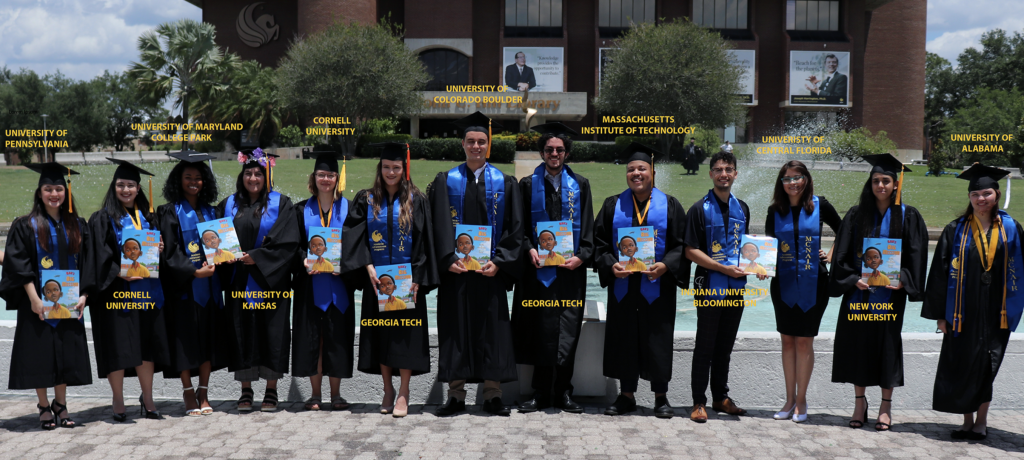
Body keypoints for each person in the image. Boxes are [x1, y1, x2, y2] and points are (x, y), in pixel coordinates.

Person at [428, 111, 524, 416]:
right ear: (462, 144)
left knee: (492, 332)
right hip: (457, 274)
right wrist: (447, 258)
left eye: (481, 142)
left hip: (489, 273)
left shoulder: (505, 182)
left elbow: (515, 227)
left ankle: (492, 394)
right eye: (471, 141)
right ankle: (455, 395)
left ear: (489, 145)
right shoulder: (446, 181)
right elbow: (437, 225)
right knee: (455, 331)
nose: (476, 147)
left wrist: (500, 262)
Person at [922, 163, 1023, 441]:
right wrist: (940, 315)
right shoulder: (955, 230)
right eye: (975, 194)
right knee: (962, 364)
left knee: (988, 364)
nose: (981, 199)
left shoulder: (1012, 229)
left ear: (997, 194)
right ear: (969, 198)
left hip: (996, 310)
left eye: (986, 193)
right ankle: (967, 420)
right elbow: (940, 274)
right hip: (961, 310)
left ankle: (981, 420)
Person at [829, 153, 927, 431]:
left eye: (886, 180)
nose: (881, 185)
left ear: (896, 184)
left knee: (887, 347)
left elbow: (916, 258)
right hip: (858, 295)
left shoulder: (908, 216)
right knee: (858, 346)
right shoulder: (856, 215)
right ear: (870, 184)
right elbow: (842, 257)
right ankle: (860, 403)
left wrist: (903, 280)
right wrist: (852, 279)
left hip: (889, 297)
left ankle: (885, 406)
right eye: (876, 181)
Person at [595, 143, 689, 419]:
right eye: (631, 169)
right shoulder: (613, 205)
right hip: (624, 285)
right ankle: (626, 397)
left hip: (656, 285)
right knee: (624, 337)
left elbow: (681, 245)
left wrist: (666, 266)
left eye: (642, 169)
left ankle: (661, 397)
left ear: (653, 173)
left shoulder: (669, 204)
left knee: (657, 337)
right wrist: (612, 266)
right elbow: (599, 243)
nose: (636, 173)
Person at [348, 142, 438, 417]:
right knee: (380, 334)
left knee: (405, 336)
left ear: (404, 168)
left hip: (407, 282)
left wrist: (419, 277)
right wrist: (367, 265)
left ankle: (404, 392)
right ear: (380, 168)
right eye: (386, 167)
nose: (390, 172)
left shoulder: (416, 199)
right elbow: (355, 235)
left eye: (396, 167)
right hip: (377, 282)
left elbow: (425, 241)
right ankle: (387, 389)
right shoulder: (366, 199)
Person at [1, 162, 91, 430]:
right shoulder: (25, 225)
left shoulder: (77, 224)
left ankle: (60, 405)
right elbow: (19, 264)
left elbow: (87, 263)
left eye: (59, 189)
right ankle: (43, 405)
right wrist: (33, 298)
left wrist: (84, 294)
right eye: (48, 188)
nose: (54, 193)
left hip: (68, 302)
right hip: (37, 303)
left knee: (64, 351)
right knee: (40, 354)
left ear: (66, 192)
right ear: (39, 193)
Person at [512, 122, 594, 414]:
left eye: (559, 149)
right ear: (542, 153)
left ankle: (564, 392)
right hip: (538, 273)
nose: (554, 154)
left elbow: (588, 231)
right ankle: (539, 393)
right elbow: (518, 228)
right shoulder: (526, 185)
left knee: (568, 330)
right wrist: (530, 249)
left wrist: (581, 256)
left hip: (570, 272)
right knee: (540, 328)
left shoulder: (580, 185)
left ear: (567, 153)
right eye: (549, 149)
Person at [83, 159, 168, 422]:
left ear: (139, 188)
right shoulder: (102, 218)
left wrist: (159, 249)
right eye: (121, 184)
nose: (126, 189)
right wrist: (121, 272)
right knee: (118, 348)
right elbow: (98, 256)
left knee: (147, 347)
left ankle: (148, 398)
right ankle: (118, 400)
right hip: (116, 293)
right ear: (114, 187)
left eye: (131, 185)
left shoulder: (149, 218)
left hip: (148, 292)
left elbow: (153, 257)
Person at [218, 148, 299, 412]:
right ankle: (245, 389)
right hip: (238, 279)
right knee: (242, 332)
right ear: (242, 175)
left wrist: (257, 257)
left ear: (266, 176)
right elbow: (215, 239)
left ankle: (271, 390)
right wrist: (224, 256)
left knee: (272, 332)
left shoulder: (281, 203)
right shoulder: (228, 204)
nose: (253, 178)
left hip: (270, 281)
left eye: (258, 173)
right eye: (248, 173)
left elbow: (288, 241)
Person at [764, 160, 842, 423]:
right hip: (784, 283)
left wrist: (830, 255)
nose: (792, 183)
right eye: (787, 179)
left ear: (806, 179)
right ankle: (788, 399)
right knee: (787, 340)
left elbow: (845, 231)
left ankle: (801, 400)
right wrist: (761, 266)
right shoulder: (775, 210)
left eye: (797, 177)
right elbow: (767, 247)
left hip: (814, 281)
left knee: (804, 340)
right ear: (781, 183)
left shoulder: (820, 205)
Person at [157, 150, 229, 417]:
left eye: (198, 178)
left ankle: (204, 392)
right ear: (179, 179)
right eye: (188, 177)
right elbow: (169, 251)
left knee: (208, 340)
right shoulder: (168, 212)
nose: (193, 182)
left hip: (210, 288)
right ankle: (188, 392)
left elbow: (223, 244)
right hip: (184, 289)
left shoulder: (213, 211)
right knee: (185, 341)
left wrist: (225, 257)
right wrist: (193, 272)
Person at [684, 150, 751, 422]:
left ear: (735, 174)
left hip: (735, 286)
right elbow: (690, 250)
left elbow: (748, 248)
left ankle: (720, 397)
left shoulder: (743, 207)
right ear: (711, 173)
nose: (724, 174)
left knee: (725, 346)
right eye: (719, 169)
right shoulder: (699, 209)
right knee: (706, 345)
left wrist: (758, 266)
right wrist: (722, 267)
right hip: (710, 284)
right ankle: (698, 401)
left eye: (729, 169)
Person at [292, 151, 359, 412]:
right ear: (314, 177)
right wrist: (303, 261)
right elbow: (293, 246)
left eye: (331, 174)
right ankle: (315, 394)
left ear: (337, 178)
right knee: (313, 339)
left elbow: (358, 245)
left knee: (337, 338)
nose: (326, 179)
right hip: (310, 286)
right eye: (321, 174)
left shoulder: (351, 209)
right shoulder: (300, 210)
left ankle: (337, 395)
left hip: (339, 285)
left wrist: (347, 265)